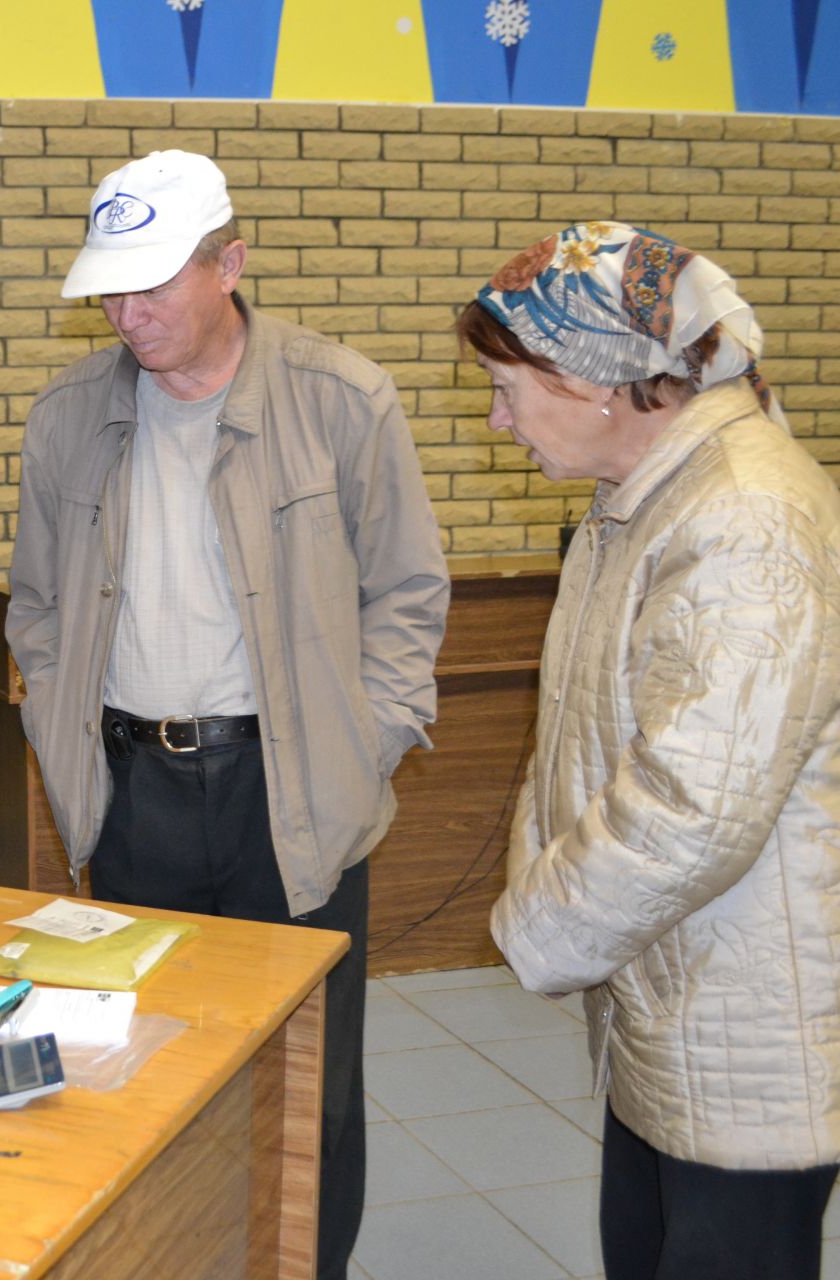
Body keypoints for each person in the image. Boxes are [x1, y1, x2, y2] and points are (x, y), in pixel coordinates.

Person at [6, 150, 449, 1277]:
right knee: (145, 1062)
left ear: (230, 263)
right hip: (132, 788)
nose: (126, 311)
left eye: (152, 283)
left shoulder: (341, 397)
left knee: (313, 1079)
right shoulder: (69, 414)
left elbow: (408, 589)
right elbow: (41, 605)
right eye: (110, 288)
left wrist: (372, 742)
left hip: (293, 791)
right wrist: (69, 753)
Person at [466, 222, 840, 1279]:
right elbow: (586, 732)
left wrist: (539, 923)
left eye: (506, 388)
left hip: (750, 1026)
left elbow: (695, 803)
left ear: (593, 380)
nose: (498, 422)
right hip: (674, 999)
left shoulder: (746, 515)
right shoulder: (644, 495)